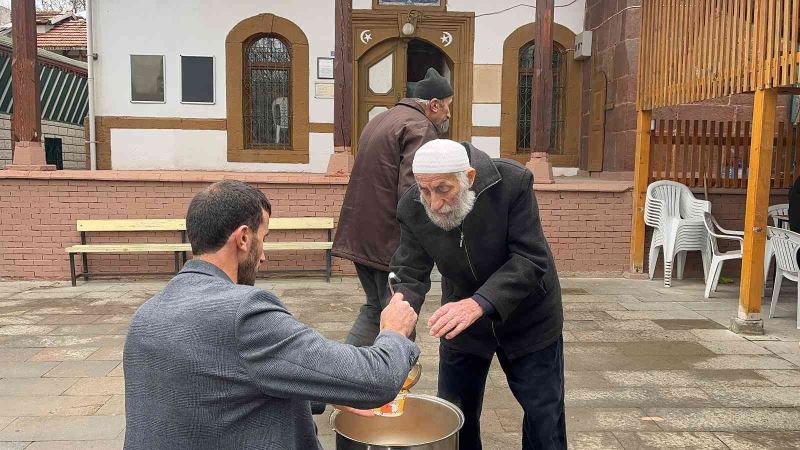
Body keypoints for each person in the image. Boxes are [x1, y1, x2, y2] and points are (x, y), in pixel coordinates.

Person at [123, 180, 420, 450]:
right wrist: (394, 332)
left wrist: (324, 389)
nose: (263, 255)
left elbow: (213, 386)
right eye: (263, 237)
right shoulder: (244, 312)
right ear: (243, 238)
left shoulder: (146, 314)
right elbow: (376, 380)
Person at [390, 139, 566, 450]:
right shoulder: (412, 208)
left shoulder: (512, 183)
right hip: (461, 320)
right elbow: (410, 273)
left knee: (544, 416)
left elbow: (530, 258)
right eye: (425, 191)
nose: (433, 203)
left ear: (469, 177)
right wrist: (395, 324)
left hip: (529, 315)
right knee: (456, 417)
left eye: (443, 189)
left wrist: (479, 303)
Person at [333, 67, 454, 346]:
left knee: (376, 309)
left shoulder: (381, 119)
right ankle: (396, 383)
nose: (448, 115)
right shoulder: (421, 127)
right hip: (391, 245)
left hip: (361, 238)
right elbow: (416, 194)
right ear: (434, 105)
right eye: (447, 107)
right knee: (400, 317)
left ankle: (346, 376)